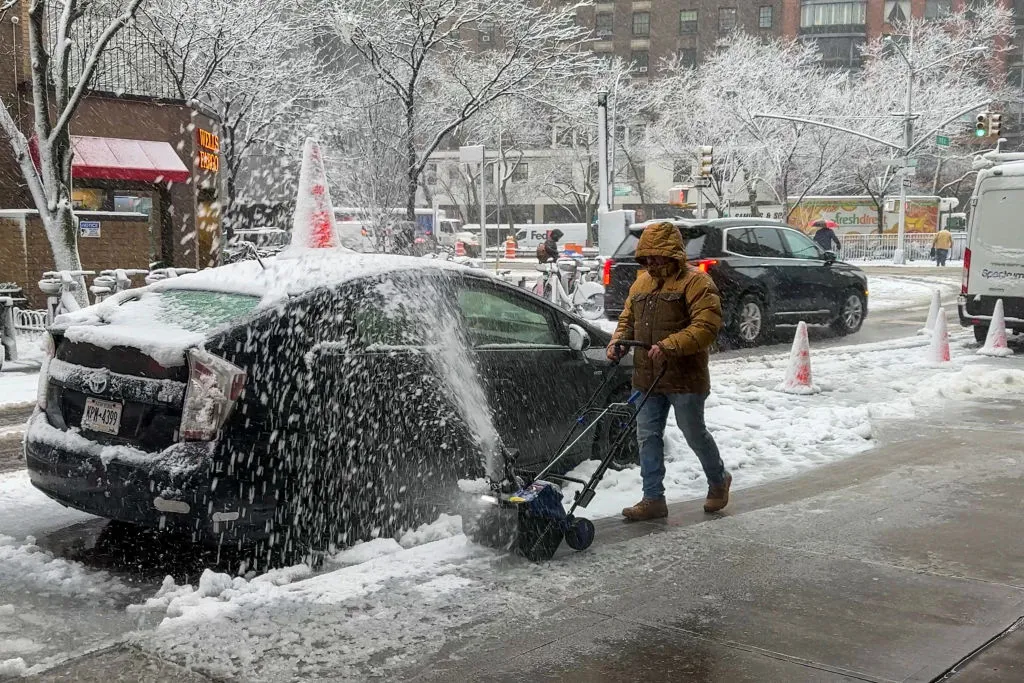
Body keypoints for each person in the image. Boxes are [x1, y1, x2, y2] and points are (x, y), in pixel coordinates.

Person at [607, 221, 731, 521]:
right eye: (646, 257)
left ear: (672, 253)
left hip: (684, 376)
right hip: (646, 376)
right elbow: (627, 320)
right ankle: (653, 499)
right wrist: (617, 341)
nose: (651, 263)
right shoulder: (640, 284)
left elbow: (706, 326)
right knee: (647, 436)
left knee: (693, 432)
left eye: (656, 256)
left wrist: (670, 345)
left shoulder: (696, 282)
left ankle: (718, 479)